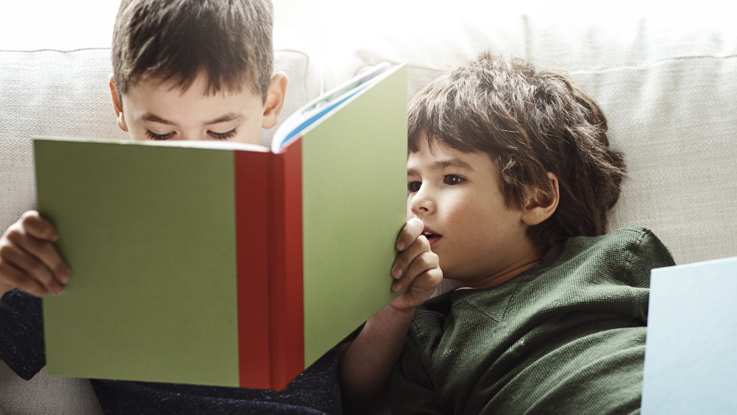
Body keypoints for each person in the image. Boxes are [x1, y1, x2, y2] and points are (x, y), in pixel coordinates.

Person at [0, 0, 441, 413]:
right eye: (161, 135)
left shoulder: (307, 216)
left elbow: (358, 393)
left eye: (221, 133)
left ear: (269, 102)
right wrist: (5, 274)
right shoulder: (88, 229)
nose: (194, 162)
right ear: (119, 104)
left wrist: (395, 308)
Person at [385, 52, 676, 414]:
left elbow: (705, 341)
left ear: (536, 197)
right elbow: (359, 397)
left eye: (452, 178)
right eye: (412, 184)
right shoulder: (427, 332)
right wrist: (394, 308)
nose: (418, 202)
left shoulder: (620, 255)